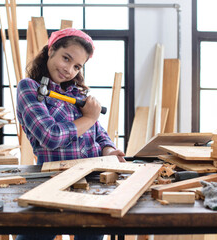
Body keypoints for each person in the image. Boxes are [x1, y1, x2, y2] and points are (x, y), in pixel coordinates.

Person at [16, 28, 126, 240]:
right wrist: (88, 118)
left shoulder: (76, 95)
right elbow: (51, 136)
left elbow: (99, 134)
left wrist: (109, 150)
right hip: (51, 182)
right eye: (66, 59)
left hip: (90, 182)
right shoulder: (29, 88)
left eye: (77, 66)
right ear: (51, 50)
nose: (69, 70)